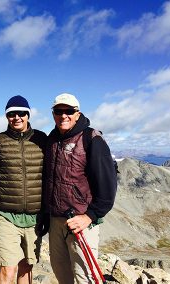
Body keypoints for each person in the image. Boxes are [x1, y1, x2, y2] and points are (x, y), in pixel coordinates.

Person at [45, 93, 117, 283]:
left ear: (78, 114)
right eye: (58, 111)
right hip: (56, 221)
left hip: (81, 222)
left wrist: (90, 216)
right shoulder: (52, 139)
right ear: (53, 114)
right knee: (62, 274)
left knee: (84, 277)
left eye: (69, 111)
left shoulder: (91, 138)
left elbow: (107, 185)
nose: (63, 115)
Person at [0, 95, 47, 284]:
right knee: (8, 270)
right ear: (7, 116)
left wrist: (48, 213)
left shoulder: (42, 139)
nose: (17, 117)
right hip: (6, 216)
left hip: (35, 217)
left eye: (21, 113)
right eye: (12, 114)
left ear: (28, 115)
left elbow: (49, 177)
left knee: (26, 268)